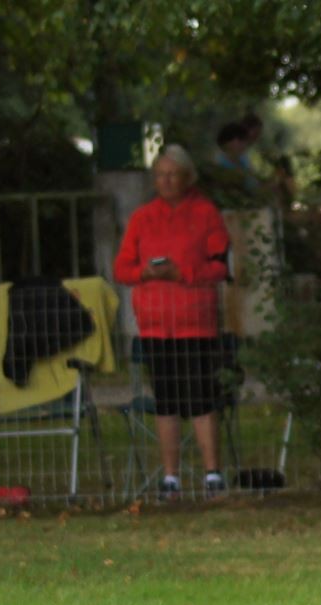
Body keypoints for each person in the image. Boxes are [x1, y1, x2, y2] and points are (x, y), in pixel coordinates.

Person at [112, 145, 232, 498]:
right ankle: (170, 476)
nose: (165, 181)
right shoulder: (142, 217)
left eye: (172, 174)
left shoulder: (206, 213)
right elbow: (121, 268)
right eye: (159, 175)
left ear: (187, 177)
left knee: (200, 397)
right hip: (155, 323)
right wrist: (144, 272)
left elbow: (221, 265)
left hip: (196, 321)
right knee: (166, 399)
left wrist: (184, 272)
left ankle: (212, 472)